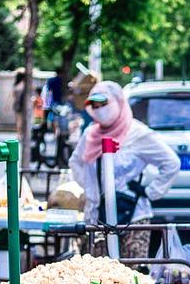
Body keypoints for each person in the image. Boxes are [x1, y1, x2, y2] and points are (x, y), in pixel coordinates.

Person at [69, 80, 179, 259]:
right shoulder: (90, 134)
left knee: (130, 278)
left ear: (119, 102)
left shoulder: (138, 134)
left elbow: (171, 163)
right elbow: (76, 162)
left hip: (133, 218)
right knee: (97, 278)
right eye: (94, 106)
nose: (99, 110)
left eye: (104, 104)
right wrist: (91, 190)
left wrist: (151, 191)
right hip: (96, 219)